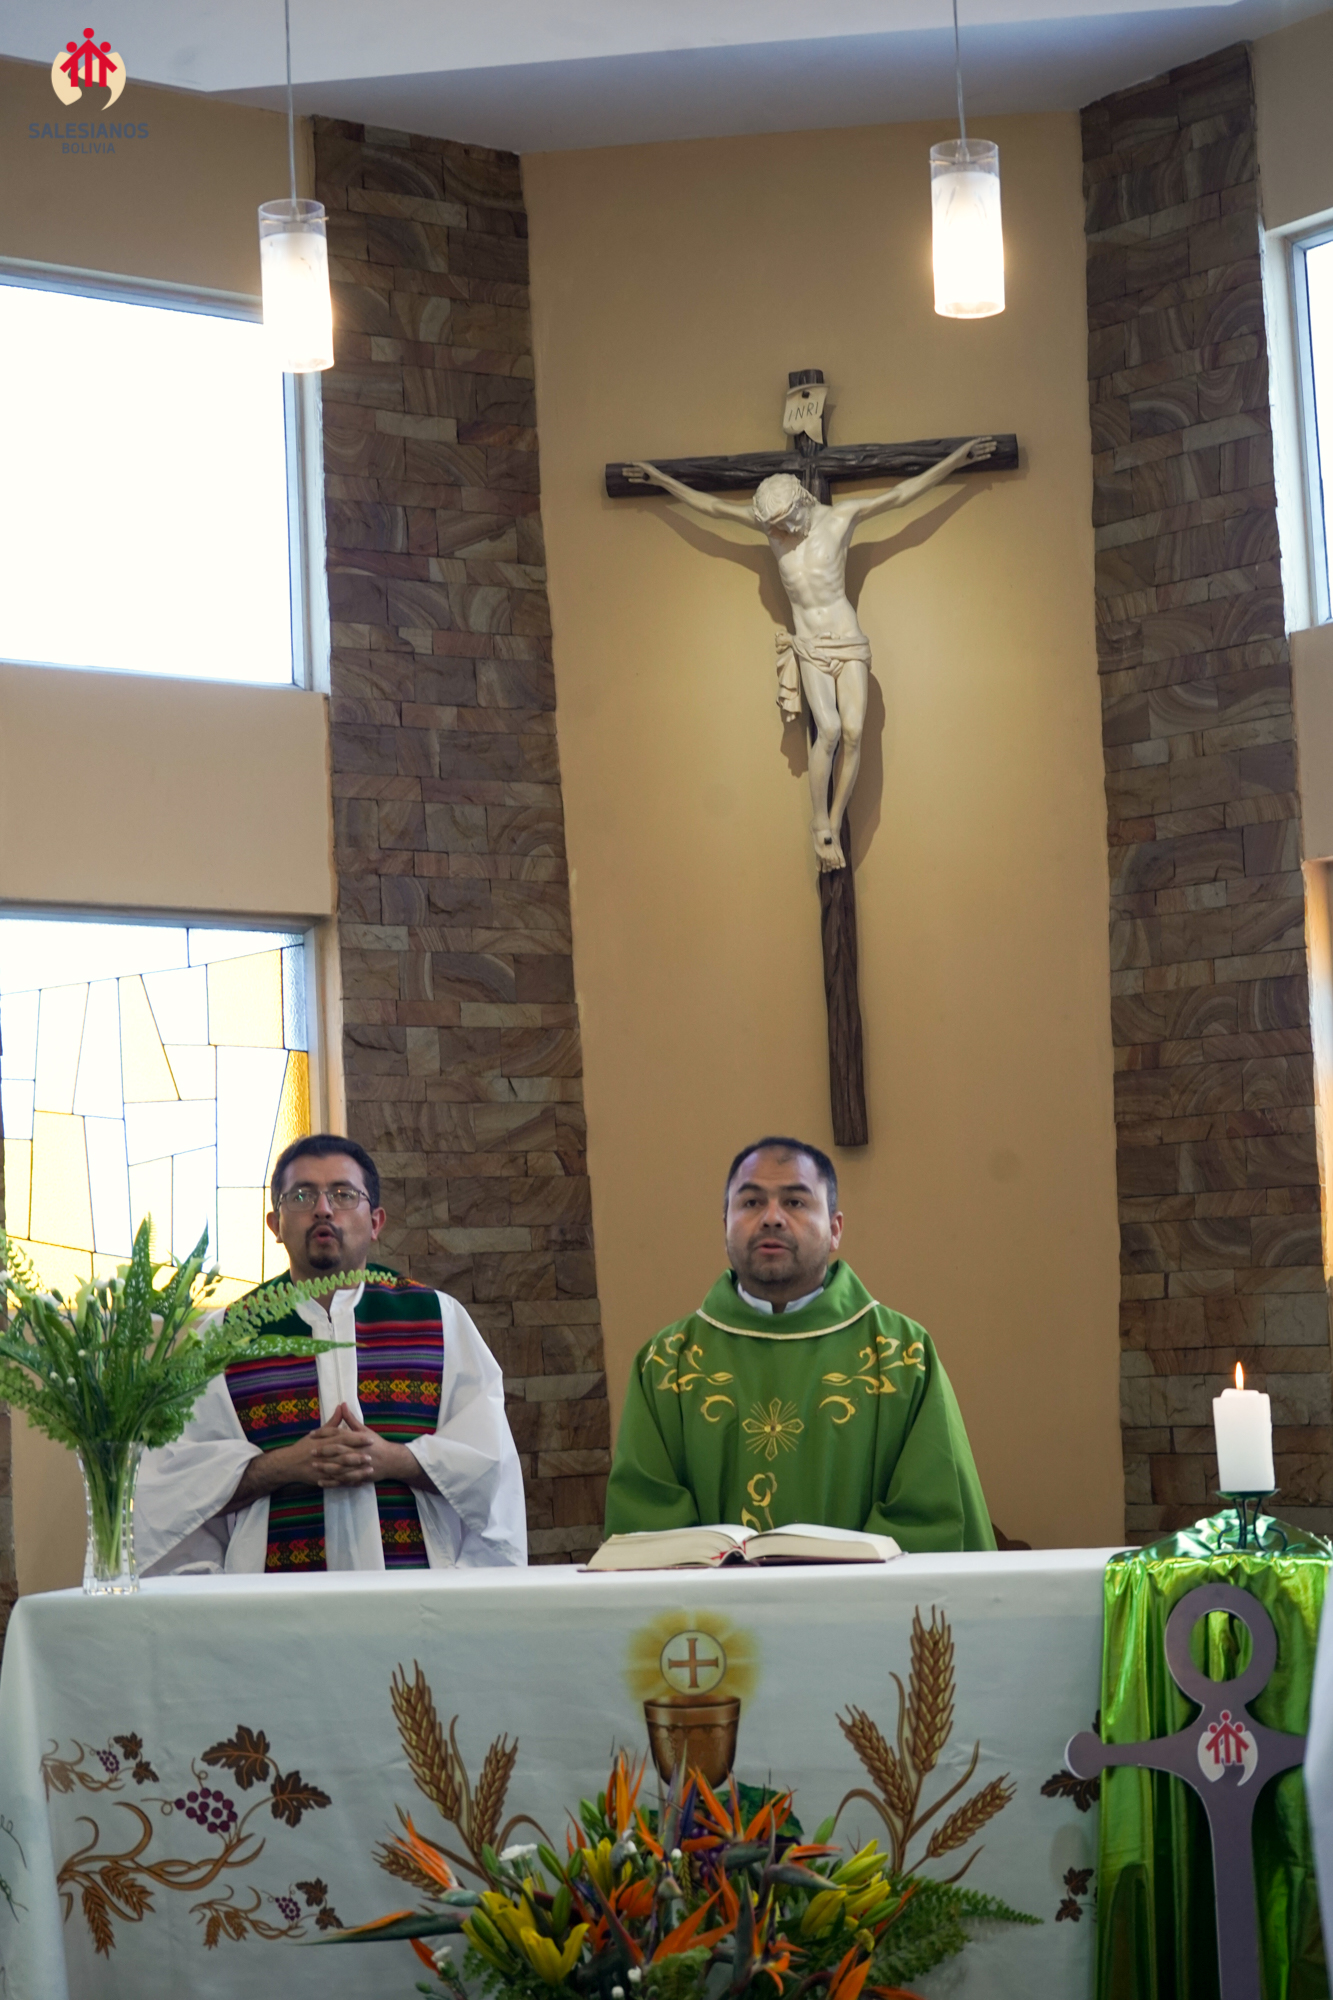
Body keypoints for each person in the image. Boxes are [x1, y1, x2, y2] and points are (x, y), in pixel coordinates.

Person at [137, 1134, 526, 1574]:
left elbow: (490, 1464)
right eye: (302, 1195)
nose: (323, 1208)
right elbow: (174, 1485)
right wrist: (283, 1466)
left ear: (375, 1221)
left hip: (417, 1597)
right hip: (271, 1602)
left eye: (343, 1194)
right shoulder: (225, 1336)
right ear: (275, 1224)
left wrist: (395, 1459)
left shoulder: (438, 1319)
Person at [604, 1137, 994, 1552]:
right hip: (713, 1599)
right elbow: (648, 1526)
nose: (772, 1218)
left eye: (795, 1202)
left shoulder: (903, 1356)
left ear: (835, 1229)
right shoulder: (667, 1363)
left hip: (864, 1596)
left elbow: (932, 1515)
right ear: (725, 1227)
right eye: (751, 1202)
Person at [634, 438, 995, 871]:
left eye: (785, 522)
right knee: (828, 729)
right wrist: (661, 480)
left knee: (854, 732)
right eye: (773, 526)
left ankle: (836, 818)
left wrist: (956, 461)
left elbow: (902, 495)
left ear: (803, 503)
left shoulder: (841, 518)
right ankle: (820, 822)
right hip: (808, 645)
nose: (779, 533)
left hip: (847, 639)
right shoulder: (771, 528)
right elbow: (712, 508)